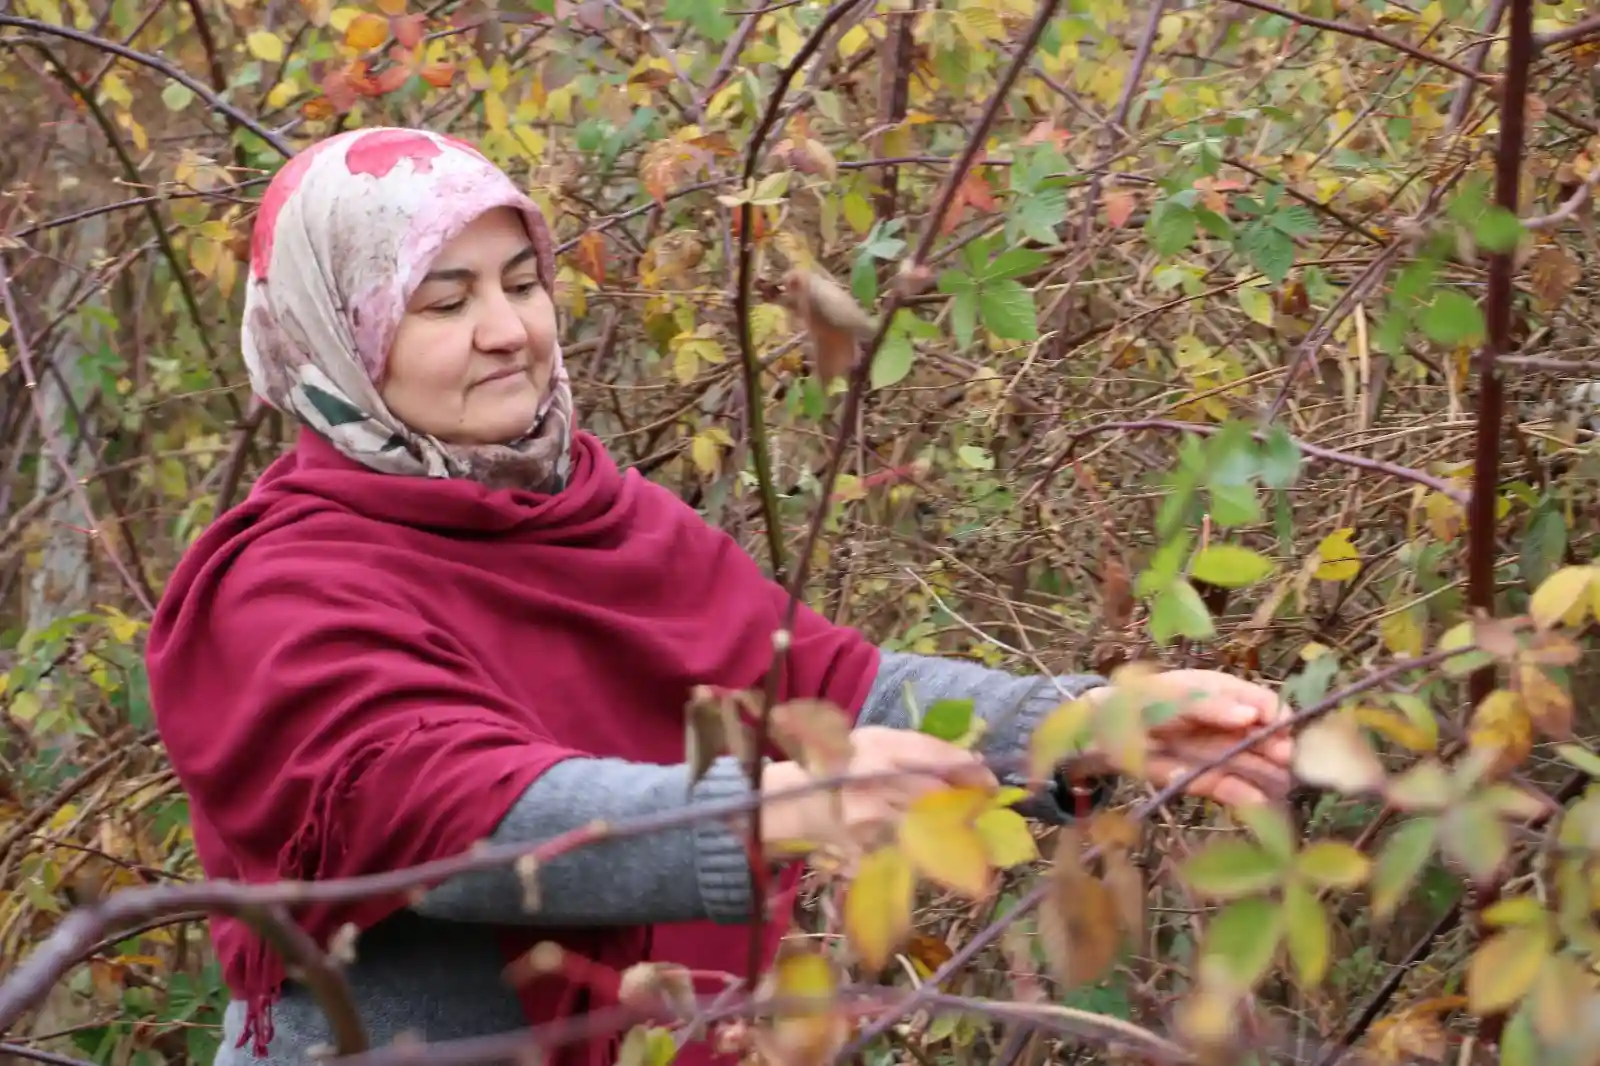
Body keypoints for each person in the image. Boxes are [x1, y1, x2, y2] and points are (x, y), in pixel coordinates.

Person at [145, 127, 1295, 1066]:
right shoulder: (282, 585)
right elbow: (445, 811)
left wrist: (1084, 719)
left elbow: (829, 685)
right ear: (335, 341)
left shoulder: (606, 515)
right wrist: (759, 812)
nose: (509, 333)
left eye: (523, 283)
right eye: (442, 302)